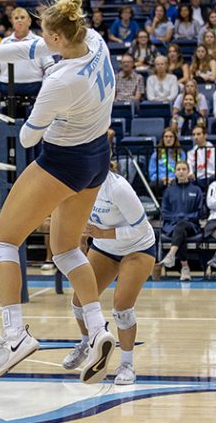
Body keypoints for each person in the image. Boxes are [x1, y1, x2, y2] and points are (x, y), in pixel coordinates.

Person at [0, 0, 117, 384]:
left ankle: (15, 335)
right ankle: (98, 329)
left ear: (58, 38)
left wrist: (47, 100)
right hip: (98, 155)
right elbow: (25, 48)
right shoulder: (94, 40)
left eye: (45, 35)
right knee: (65, 248)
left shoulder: (61, 80)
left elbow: (30, 135)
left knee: (2, 242)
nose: (39, 39)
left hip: (63, 160)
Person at [61, 164, 156, 386]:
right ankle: (87, 343)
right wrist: (83, 239)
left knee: (121, 309)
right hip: (104, 247)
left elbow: (141, 228)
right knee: (79, 300)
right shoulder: (78, 184)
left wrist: (104, 233)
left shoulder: (118, 188)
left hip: (137, 247)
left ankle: (127, 364)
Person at [0, 8, 53, 105]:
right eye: (16, 18)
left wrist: (49, 89)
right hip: (6, 87)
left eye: (22, 17)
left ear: (29, 21)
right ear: (12, 22)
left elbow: (49, 67)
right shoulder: (4, 43)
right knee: (6, 119)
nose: (19, 20)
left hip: (33, 86)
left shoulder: (39, 42)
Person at [158, 161, 205, 281]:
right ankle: (185, 268)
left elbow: (200, 212)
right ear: (175, 172)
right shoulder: (169, 191)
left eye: (184, 169)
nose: (181, 171)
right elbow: (165, 211)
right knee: (180, 231)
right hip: (172, 225)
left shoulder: (196, 190)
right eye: (178, 169)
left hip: (191, 225)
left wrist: (185, 218)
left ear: (188, 171)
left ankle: (171, 255)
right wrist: (178, 219)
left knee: (182, 226)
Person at [187, 124, 216, 189]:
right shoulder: (191, 153)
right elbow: (190, 167)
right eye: (194, 135)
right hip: (198, 179)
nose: (196, 137)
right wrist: (191, 174)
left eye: (198, 134)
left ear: (205, 135)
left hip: (213, 178)